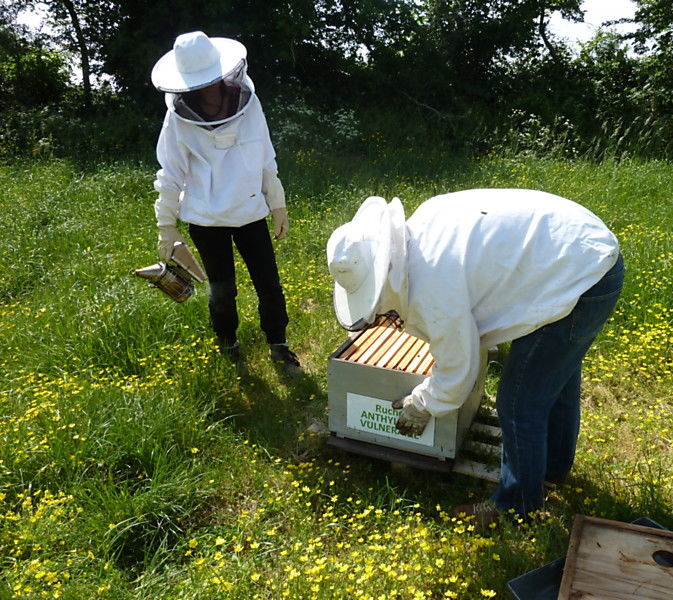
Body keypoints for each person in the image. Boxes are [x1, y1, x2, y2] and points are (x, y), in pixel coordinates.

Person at [326, 189, 623, 524]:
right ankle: (551, 468)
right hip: (581, 252)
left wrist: (422, 403)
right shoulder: (423, 224)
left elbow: (457, 371)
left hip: (580, 275)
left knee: (518, 401)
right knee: (555, 378)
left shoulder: (432, 286)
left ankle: (515, 508)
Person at [150, 31, 300, 372]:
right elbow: (170, 172)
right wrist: (166, 226)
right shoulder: (178, 117)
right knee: (222, 290)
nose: (203, 88)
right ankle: (228, 345)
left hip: (249, 212)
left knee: (269, 284)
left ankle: (279, 345)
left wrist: (277, 203)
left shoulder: (250, 103)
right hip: (205, 219)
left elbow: (265, 154)